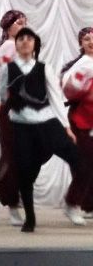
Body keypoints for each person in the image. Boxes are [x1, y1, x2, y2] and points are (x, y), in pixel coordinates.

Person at [0, 27, 79, 232]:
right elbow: (2, 95)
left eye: (29, 38)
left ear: (35, 45)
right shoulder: (7, 69)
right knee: (25, 172)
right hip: (22, 126)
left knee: (79, 160)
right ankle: (30, 218)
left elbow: (55, 98)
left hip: (46, 123)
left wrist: (66, 127)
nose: (25, 41)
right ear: (16, 44)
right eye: (21, 39)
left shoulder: (45, 68)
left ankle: (73, 203)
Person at [0, 9, 28, 225]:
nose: (23, 26)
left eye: (24, 23)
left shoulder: (22, 47)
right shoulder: (10, 46)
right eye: (18, 23)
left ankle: (16, 195)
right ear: (9, 26)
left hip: (25, 107)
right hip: (10, 106)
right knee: (11, 153)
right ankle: (12, 202)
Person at [59, 26, 93, 224]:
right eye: (86, 39)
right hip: (82, 120)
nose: (91, 42)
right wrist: (86, 89)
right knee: (84, 163)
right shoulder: (81, 65)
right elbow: (68, 88)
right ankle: (72, 203)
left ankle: (89, 204)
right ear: (81, 43)